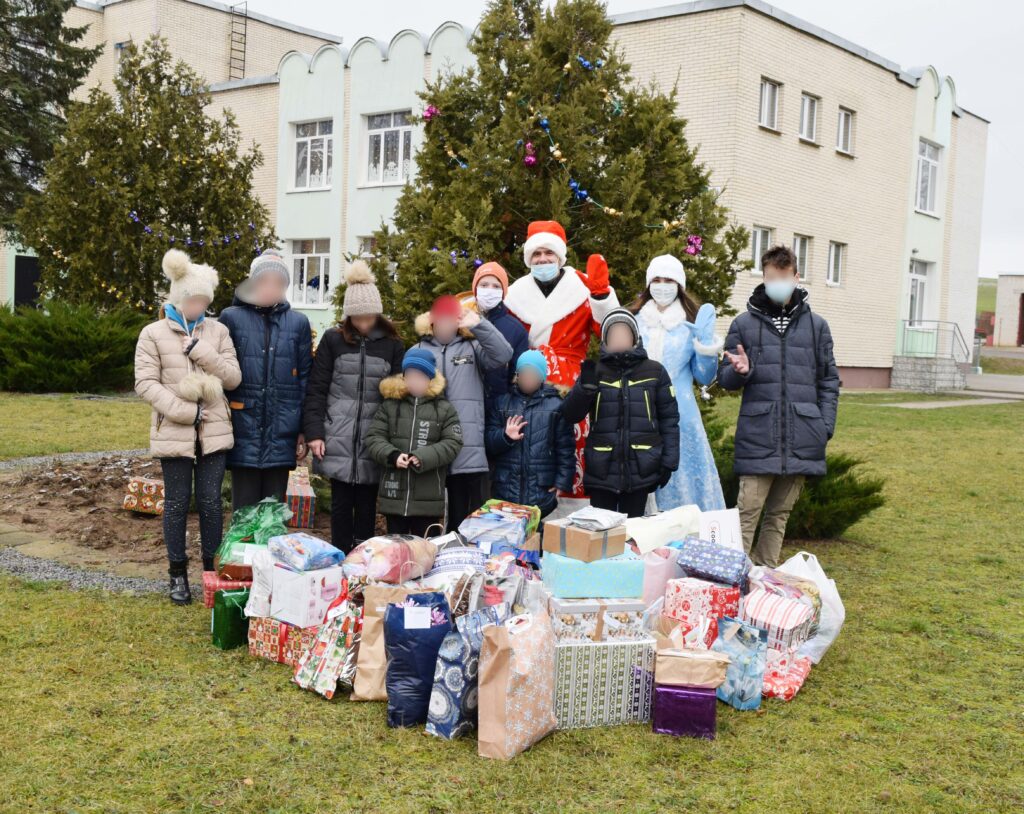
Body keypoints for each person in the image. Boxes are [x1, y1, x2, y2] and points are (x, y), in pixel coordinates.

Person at [719, 245, 840, 567]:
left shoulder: (817, 327)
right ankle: (736, 582)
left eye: (784, 277)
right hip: (759, 435)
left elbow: (829, 381)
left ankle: (765, 578)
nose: (778, 283)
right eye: (772, 278)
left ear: (796, 277)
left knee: (778, 516)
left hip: (803, 435)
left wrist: (823, 427)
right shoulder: (744, 324)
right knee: (747, 513)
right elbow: (725, 379)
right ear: (764, 277)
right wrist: (738, 371)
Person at [134, 249, 241, 605]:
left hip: (215, 435)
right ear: (178, 298)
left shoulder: (219, 332)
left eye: (204, 301)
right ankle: (177, 574)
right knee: (177, 503)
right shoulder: (152, 334)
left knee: (211, 503)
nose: (199, 307)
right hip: (175, 432)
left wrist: (200, 351)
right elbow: (146, 384)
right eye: (193, 300)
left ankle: (211, 572)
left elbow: (232, 377)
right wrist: (187, 414)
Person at [503, 220, 619, 506]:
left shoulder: (581, 285)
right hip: (530, 383)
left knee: (572, 447)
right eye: (537, 254)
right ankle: (530, 513)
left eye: (549, 253)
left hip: (572, 385)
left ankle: (573, 517)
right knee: (532, 448)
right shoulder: (515, 294)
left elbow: (610, 332)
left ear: (560, 256)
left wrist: (602, 297)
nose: (543, 259)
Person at [302, 260, 405, 553]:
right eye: (356, 318)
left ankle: (362, 559)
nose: (363, 323)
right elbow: (317, 389)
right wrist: (314, 433)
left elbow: (397, 397)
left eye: (368, 317)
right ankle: (339, 556)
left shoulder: (392, 345)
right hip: (338, 436)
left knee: (368, 505)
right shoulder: (333, 341)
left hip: (374, 439)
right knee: (340, 504)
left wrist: (388, 439)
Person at [562, 309, 680, 518]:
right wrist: (584, 390)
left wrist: (669, 461)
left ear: (634, 337)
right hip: (602, 470)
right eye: (612, 334)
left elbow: (669, 420)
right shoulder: (595, 372)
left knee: (633, 535)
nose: (618, 339)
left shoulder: (655, 371)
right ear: (605, 340)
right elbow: (570, 415)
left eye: (623, 333)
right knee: (602, 536)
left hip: (641, 469)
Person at [219, 249, 313, 510]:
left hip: (282, 428)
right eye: (264, 281)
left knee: (272, 512)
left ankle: (273, 551)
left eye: (278, 282)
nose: (271, 287)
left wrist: (303, 429)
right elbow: (221, 371)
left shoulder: (298, 323)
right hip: (243, 426)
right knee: (244, 511)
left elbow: (305, 379)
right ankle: (241, 551)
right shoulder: (231, 318)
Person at [631, 254, 726, 512]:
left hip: (681, 417)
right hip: (638, 414)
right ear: (649, 284)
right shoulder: (635, 322)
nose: (662, 285)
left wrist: (706, 346)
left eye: (669, 280)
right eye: (657, 279)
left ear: (679, 285)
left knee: (683, 483)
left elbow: (704, 377)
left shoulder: (689, 325)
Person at [413, 294, 512, 531]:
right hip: (431, 450)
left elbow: (503, 354)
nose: (446, 326)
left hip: (467, 451)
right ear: (432, 322)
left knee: (466, 519)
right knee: (430, 520)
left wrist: (478, 324)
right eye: (441, 320)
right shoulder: (418, 350)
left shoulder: (472, 347)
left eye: (451, 320)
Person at [364, 348, 463, 537]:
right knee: (396, 548)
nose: (414, 381)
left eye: (420, 376)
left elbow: (453, 442)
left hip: (428, 500)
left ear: (430, 379)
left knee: (424, 551)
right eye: (410, 376)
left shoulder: (444, 409)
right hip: (395, 497)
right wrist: (392, 455)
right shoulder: (390, 406)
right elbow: (374, 437)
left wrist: (422, 457)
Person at [485, 350, 576, 518]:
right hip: (506, 488)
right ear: (517, 375)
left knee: (536, 538)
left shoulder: (556, 406)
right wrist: (505, 436)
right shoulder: (502, 403)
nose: (528, 377)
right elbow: (489, 444)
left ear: (542, 376)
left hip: (541, 490)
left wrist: (562, 482)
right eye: (523, 373)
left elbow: (565, 448)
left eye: (533, 373)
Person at [468, 262, 529, 406]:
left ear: (503, 292)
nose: (489, 290)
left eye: (496, 286)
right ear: (475, 289)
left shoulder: (516, 330)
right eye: (484, 285)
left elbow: (519, 378)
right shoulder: (462, 323)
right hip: (467, 409)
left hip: (499, 411)